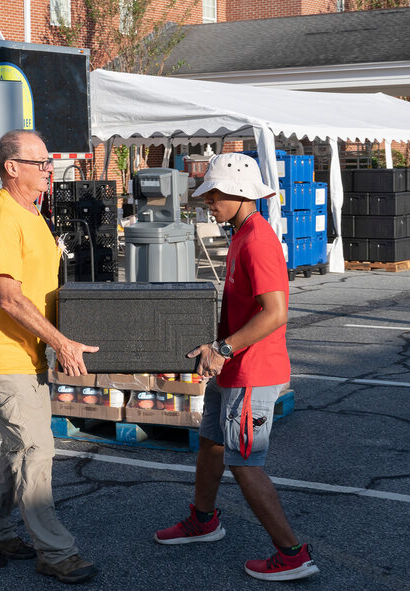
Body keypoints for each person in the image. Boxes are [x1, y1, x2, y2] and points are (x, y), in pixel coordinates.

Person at [153, 153, 320, 582]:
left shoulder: (258, 239)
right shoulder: (242, 233)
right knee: (210, 442)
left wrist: (223, 348)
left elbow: (276, 312)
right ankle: (203, 520)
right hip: (233, 368)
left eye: (213, 195)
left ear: (238, 193)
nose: (208, 202)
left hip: (252, 371)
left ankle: (292, 554)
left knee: (245, 462)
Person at [0, 130, 99, 585]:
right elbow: (10, 298)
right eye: (39, 162)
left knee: (17, 448)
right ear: (11, 167)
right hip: (2, 358)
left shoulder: (30, 213)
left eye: (49, 161)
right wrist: (61, 342)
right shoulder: (3, 220)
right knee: (35, 449)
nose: (49, 170)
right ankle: (56, 552)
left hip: (25, 354)